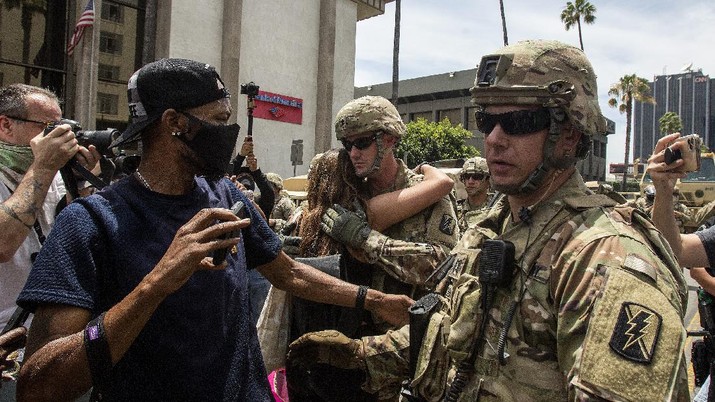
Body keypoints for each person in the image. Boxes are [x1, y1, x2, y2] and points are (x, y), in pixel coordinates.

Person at [288, 40, 690, 401]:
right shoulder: (490, 231)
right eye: (486, 121)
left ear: (569, 134)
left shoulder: (603, 255)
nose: (494, 138)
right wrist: (362, 357)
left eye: (518, 122)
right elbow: (449, 335)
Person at [14, 58, 412, 402]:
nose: (230, 132)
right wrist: (156, 283)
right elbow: (38, 385)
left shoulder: (224, 195)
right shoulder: (90, 223)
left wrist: (375, 299)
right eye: (219, 119)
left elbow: (287, 272)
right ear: (174, 123)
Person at [456, 156, 490, 231]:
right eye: (467, 177)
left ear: (488, 180)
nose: (470, 181)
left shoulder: (496, 209)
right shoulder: (456, 210)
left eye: (477, 177)